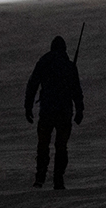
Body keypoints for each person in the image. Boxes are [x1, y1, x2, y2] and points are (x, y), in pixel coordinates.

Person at [24, 35, 84, 189]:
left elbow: (33, 84)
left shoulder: (44, 62)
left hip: (47, 111)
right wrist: (79, 110)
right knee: (61, 146)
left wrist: (28, 106)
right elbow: (76, 90)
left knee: (43, 145)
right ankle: (58, 178)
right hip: (64, 112)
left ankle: (40, 177)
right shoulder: (69, 66)